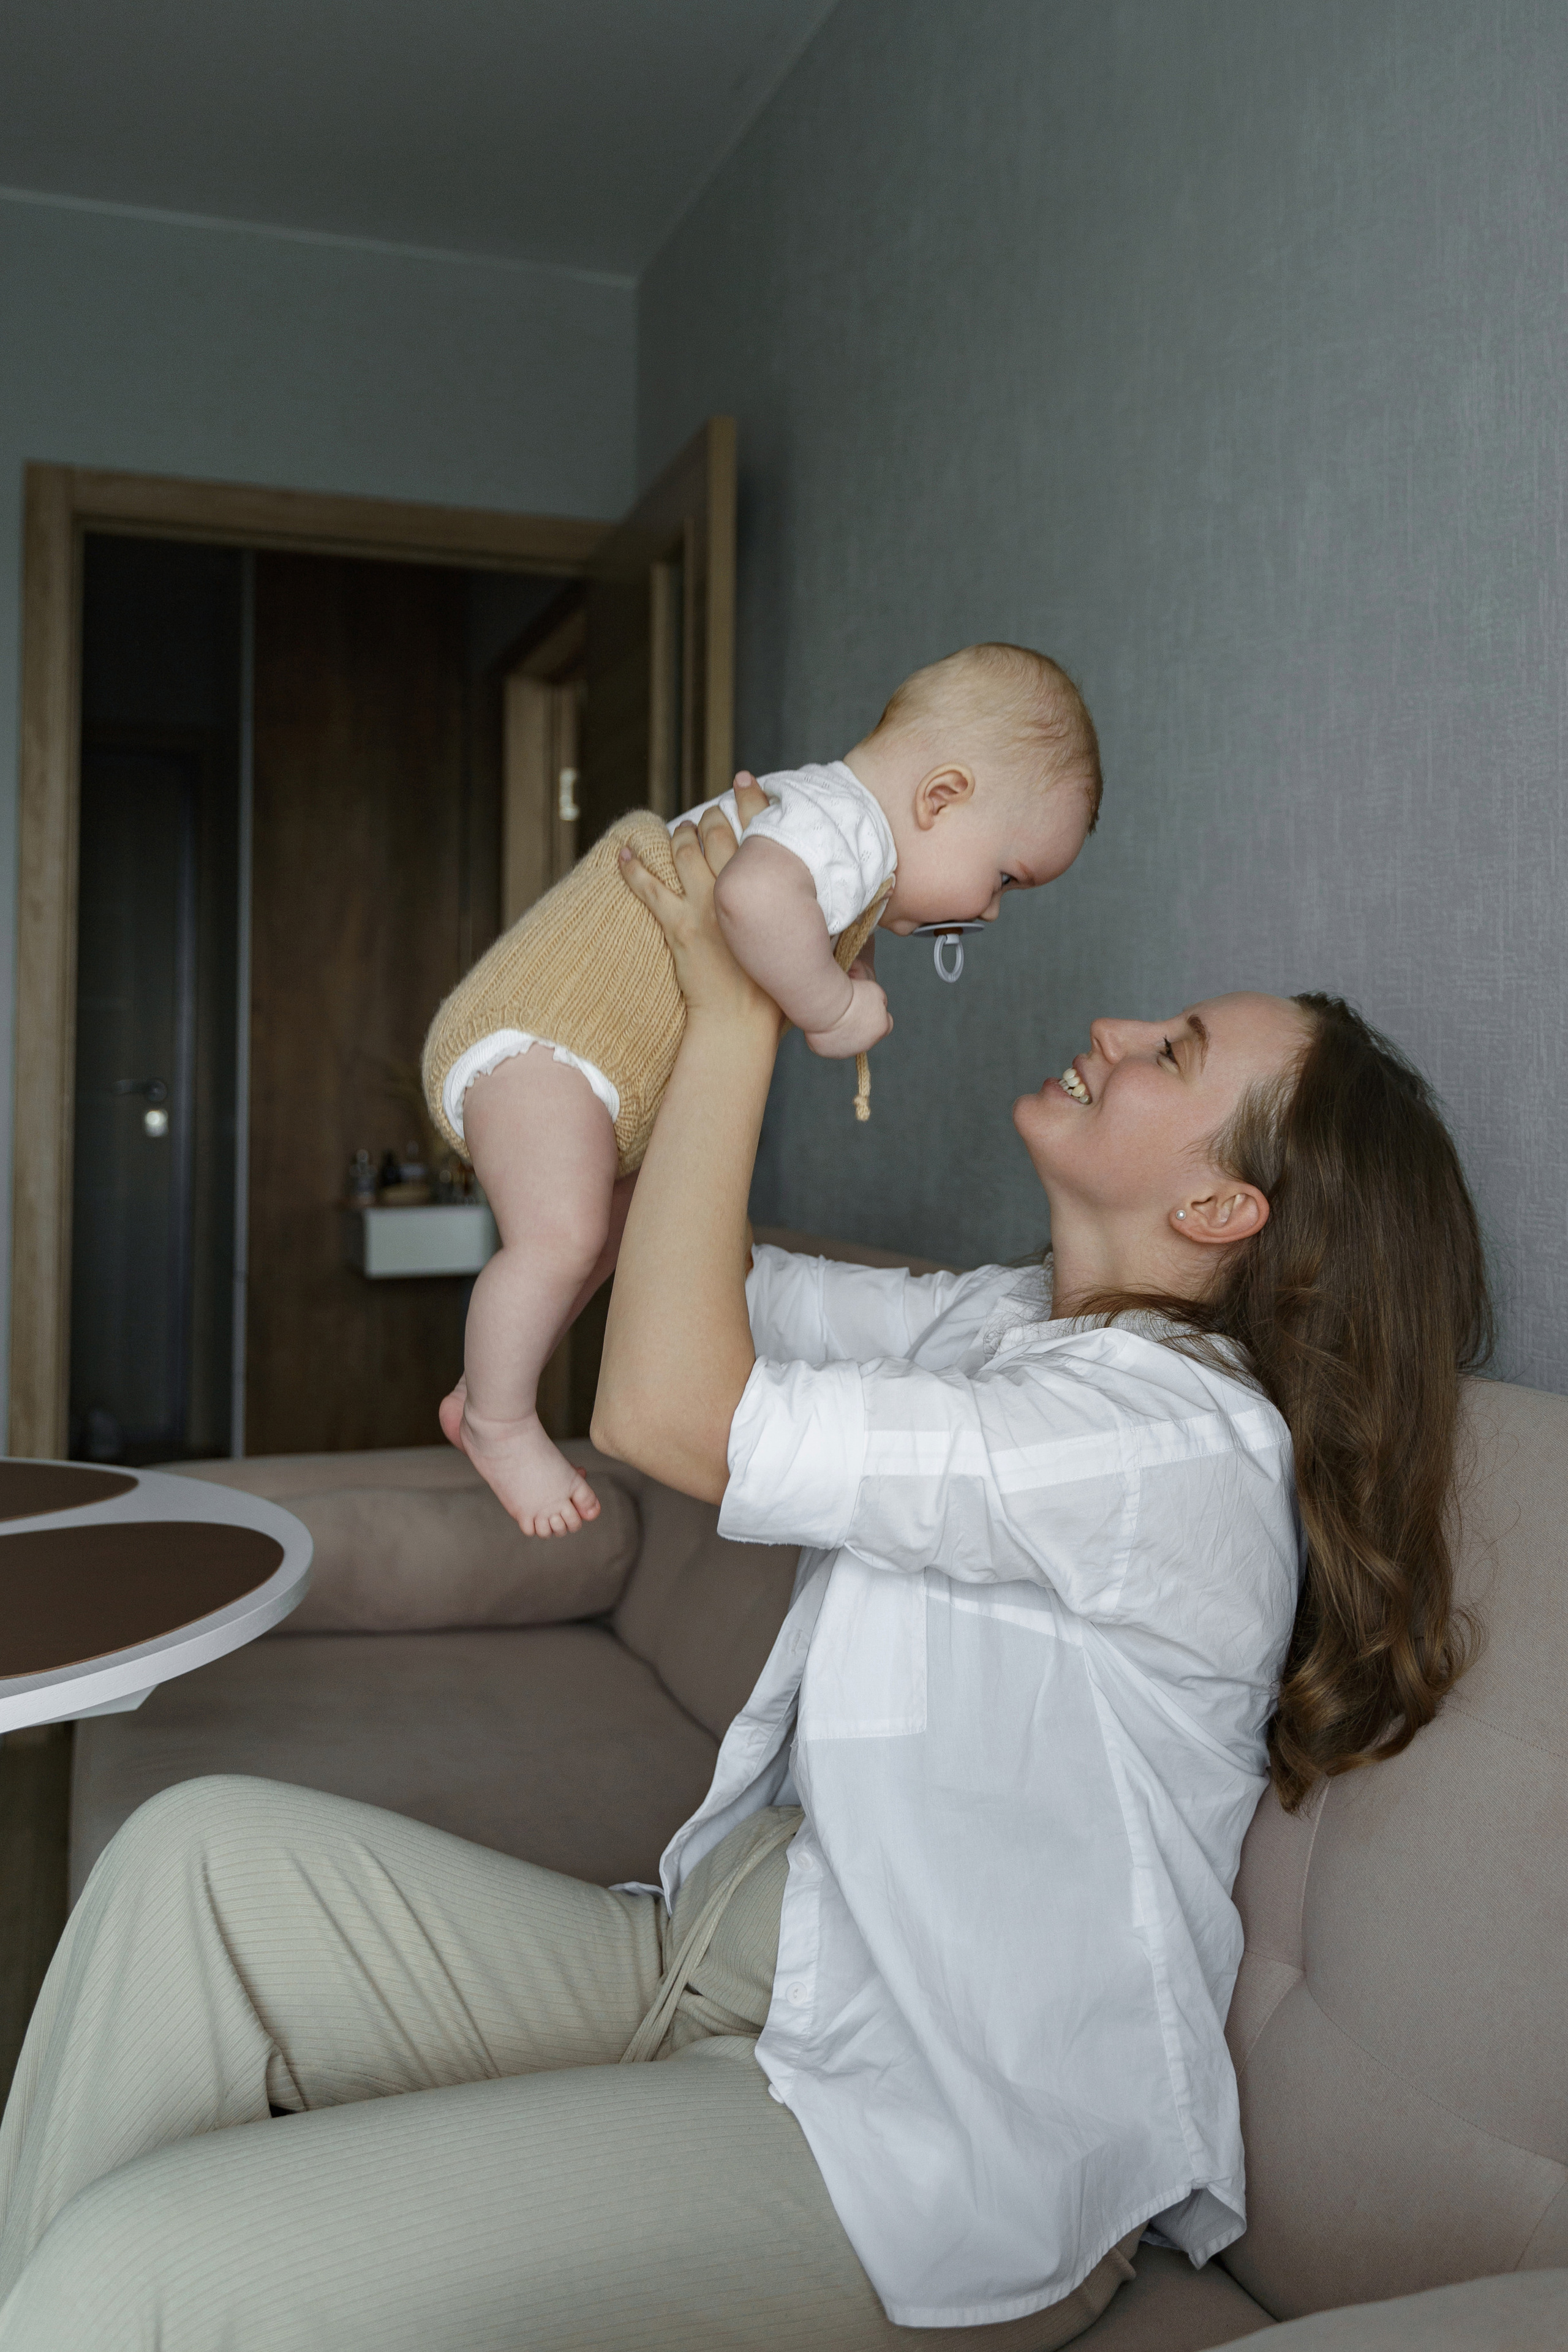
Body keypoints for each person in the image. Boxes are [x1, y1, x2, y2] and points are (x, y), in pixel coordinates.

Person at [0, 797, 1488, 2351]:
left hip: (930, 2141)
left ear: (1217, 1209)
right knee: (198, 1865)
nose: (1113, 1028)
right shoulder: (1004, 1325)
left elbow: (657, 1409)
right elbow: (665, 1261)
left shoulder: (1168, 1446)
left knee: (141, 2269)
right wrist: (652, 983)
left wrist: (740, 1026)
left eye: (1171, 1053)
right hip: (742, 1955)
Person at [420, 644, 1100, 1539]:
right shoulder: (840, 821)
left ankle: (488, 1381)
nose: (990, 910)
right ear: (941, 798)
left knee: (617, 1230)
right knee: (563, 1237)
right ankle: (499, 1422)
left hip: (591, 1069)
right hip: (545, 1039)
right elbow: (749, 898)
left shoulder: (837, 838)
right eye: (1006, 876)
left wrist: (841, 957)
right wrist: (831, 1010)